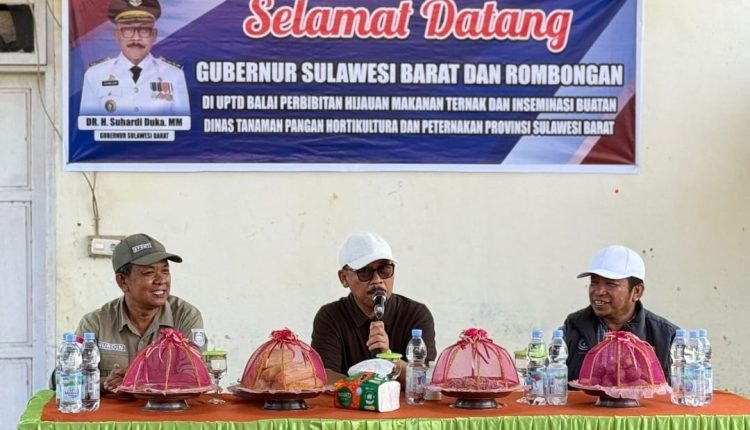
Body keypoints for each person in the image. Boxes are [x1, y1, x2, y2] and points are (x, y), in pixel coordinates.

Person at [73, 233, 205, 393]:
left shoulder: (185, 316)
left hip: (168, 409)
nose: (161, 280)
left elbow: (196, 377)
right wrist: (106, 383)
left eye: (165, 271)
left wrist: (136, 380)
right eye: (149, 273)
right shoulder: (96, 323)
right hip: (113, 410)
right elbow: (64, 377)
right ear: (122, 281)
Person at [311, 231, 436, 383]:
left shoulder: (416, 314)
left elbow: (425, 379)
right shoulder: (330, 317)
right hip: (348, 399)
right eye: (364, 272)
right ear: (344, 278)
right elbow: (325, 376)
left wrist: (389, 357)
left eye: (384, 270)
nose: (377, 280)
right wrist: (367, 389)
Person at [562, 245, 678, 382]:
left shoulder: (667, 336)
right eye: (594, 283)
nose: (599, 291)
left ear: (637, 292)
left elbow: (679, 389)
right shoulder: (572, 327)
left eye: (611, 284)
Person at [78, 0, 190, 116]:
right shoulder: (95, 75)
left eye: (144, 30)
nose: (136, 38)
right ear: (117, 36)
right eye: (127, 30)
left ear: (154, 35)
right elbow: (87, 125)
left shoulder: (174, 75)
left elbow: (184, 125)